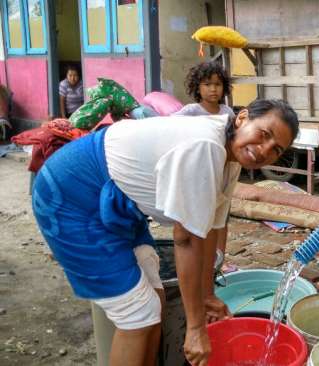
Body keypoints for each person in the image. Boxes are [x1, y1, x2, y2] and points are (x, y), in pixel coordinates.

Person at [32, 99, 298, 366]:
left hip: (118, 205)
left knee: (155, 302)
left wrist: (206, 294)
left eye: (276, 150)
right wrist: (195, 330)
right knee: (137, 314)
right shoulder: (206, 146)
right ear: (242, 118)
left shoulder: (230, 163)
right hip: (70, 195)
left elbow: (210, 230)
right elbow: (187, 240)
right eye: (264, 134)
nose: (264, 150)